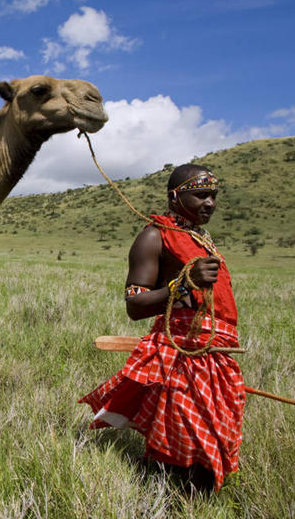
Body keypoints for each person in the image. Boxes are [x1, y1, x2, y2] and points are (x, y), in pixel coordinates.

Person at [79, 164, 245, 492]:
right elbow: (134, 306)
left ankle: (184, 498)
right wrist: (183, 285)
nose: (210, 203)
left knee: (214, 440)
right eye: (200, 195)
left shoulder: (202, 240)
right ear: (174, 197)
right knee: (184, 444)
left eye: (213, 196)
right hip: (182, 357)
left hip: (217, 357)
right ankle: (163, 498)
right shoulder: (155, 236)